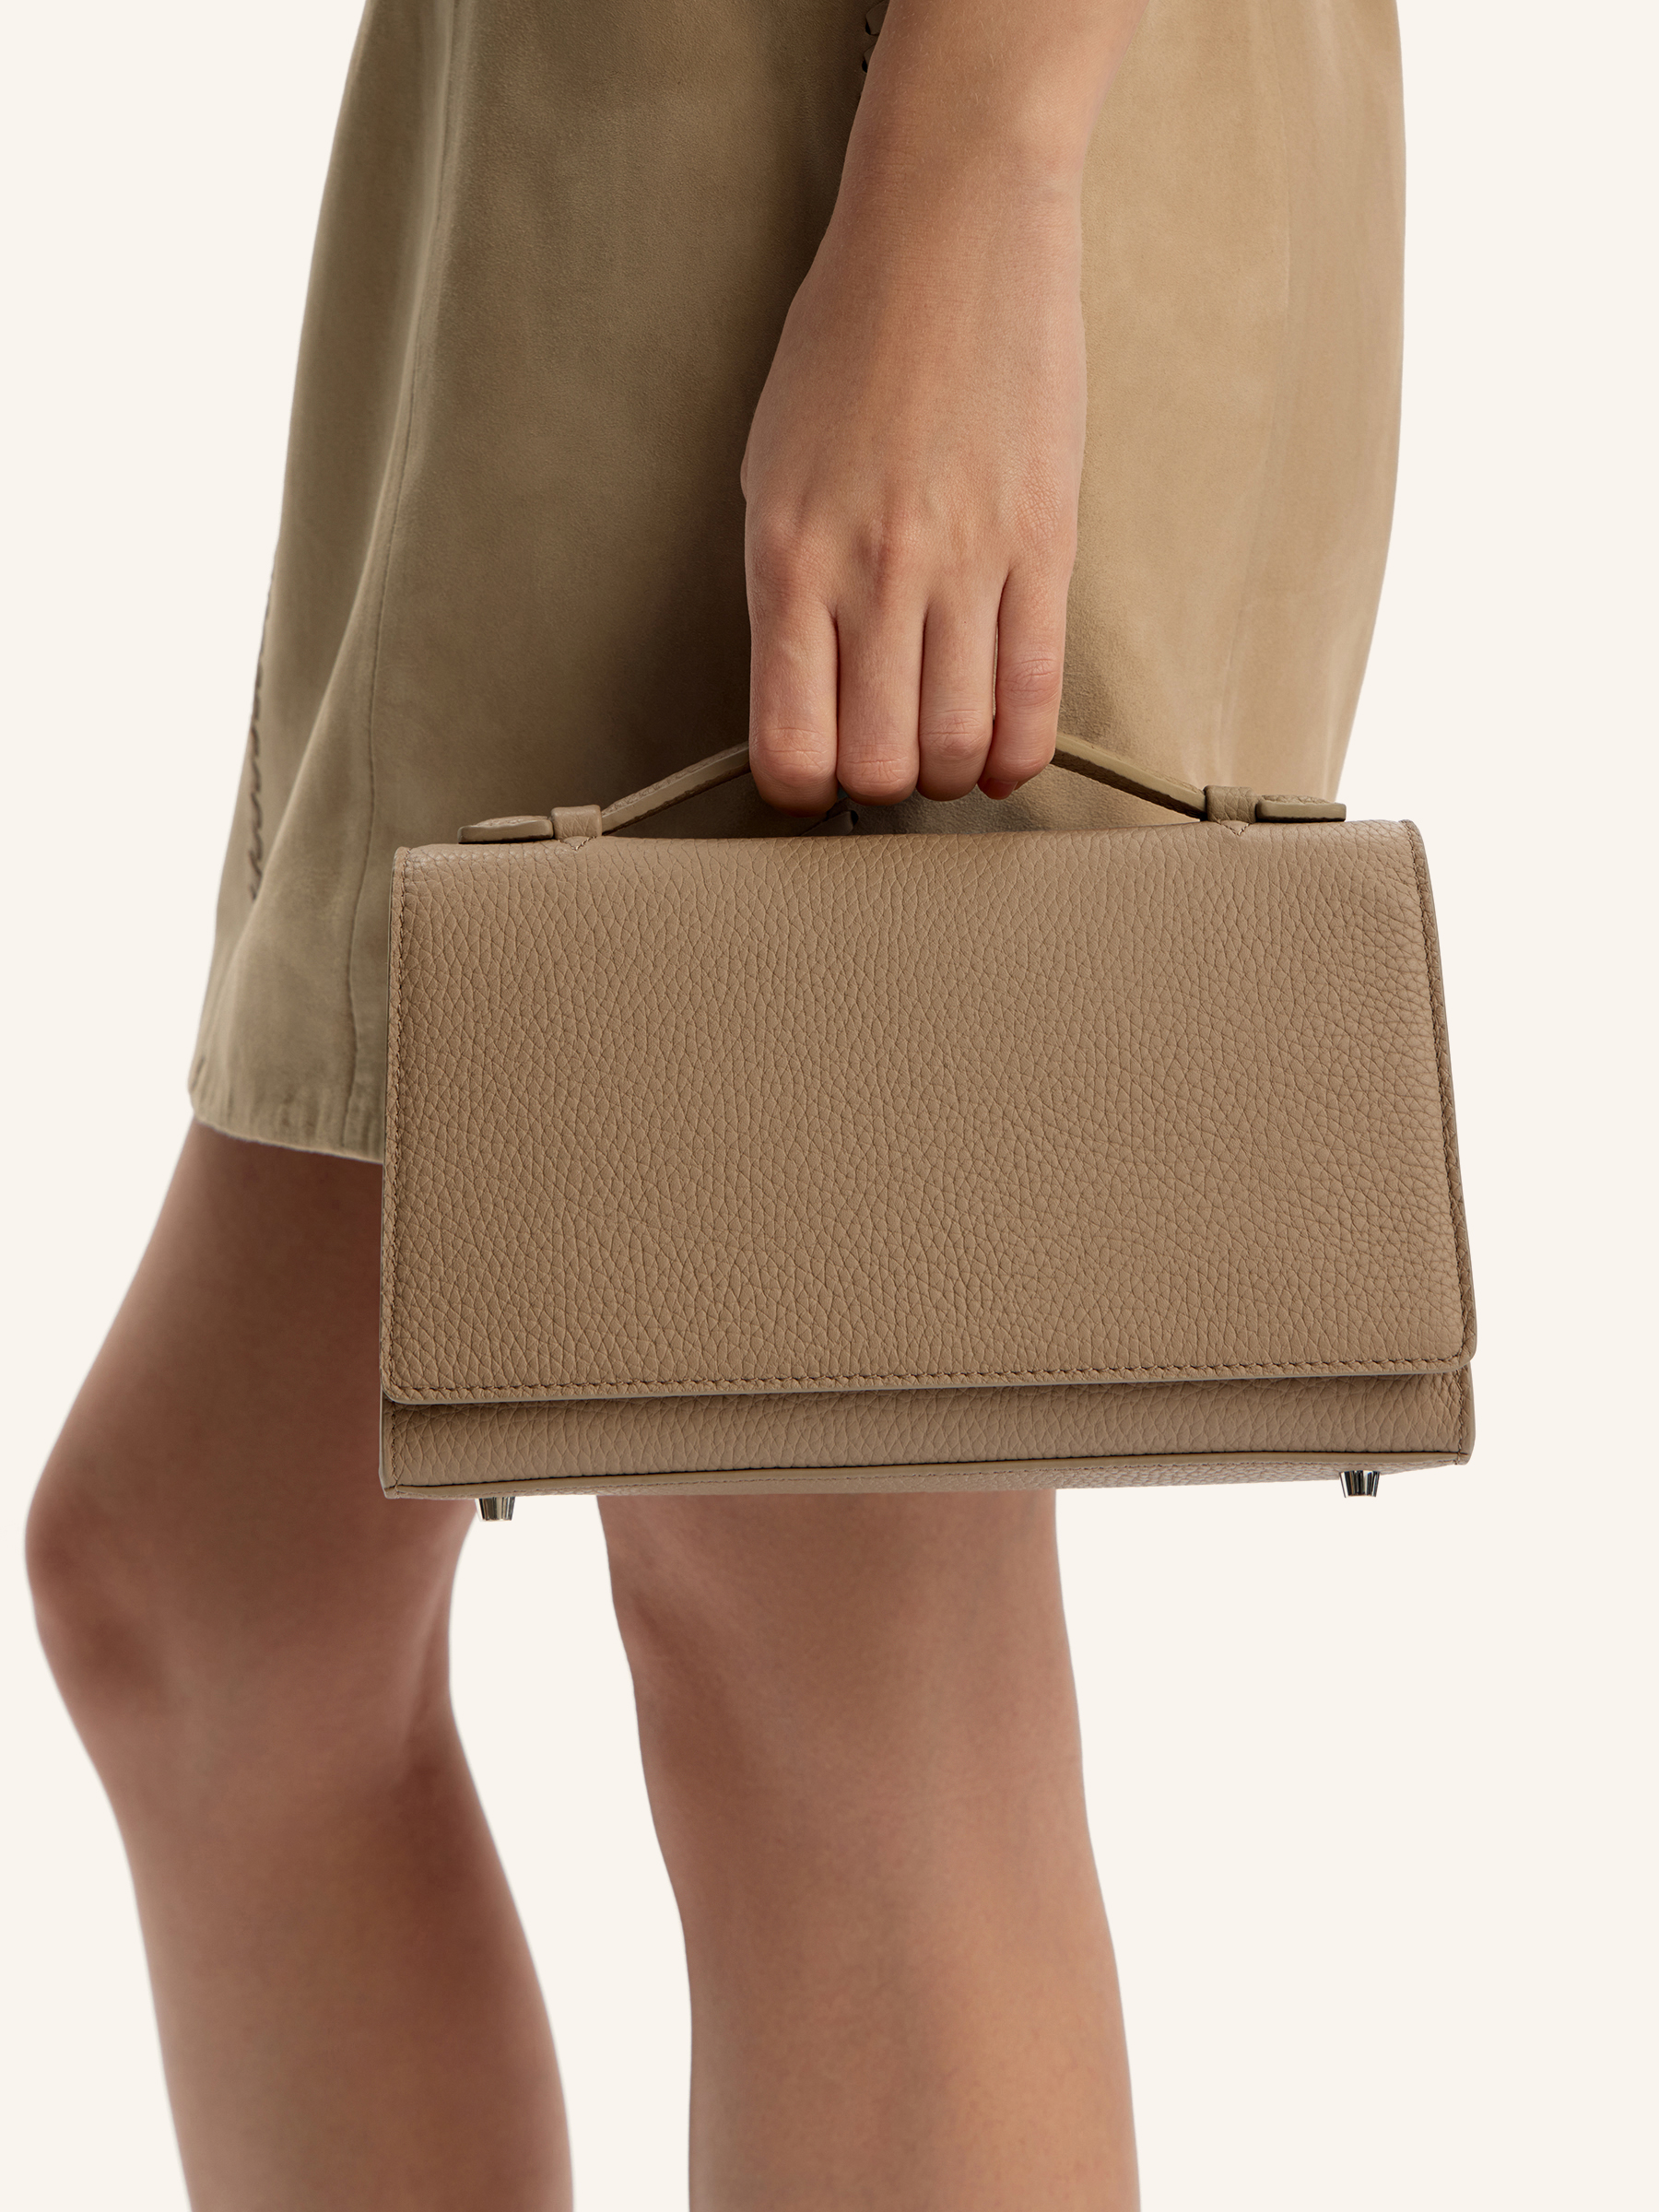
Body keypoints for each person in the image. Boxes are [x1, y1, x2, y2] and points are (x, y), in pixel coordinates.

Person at [27, 0, 1404, 2202]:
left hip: (845, 124)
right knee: (207, 1592)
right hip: (557, 125)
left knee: (829, 1643)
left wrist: (978, 168)